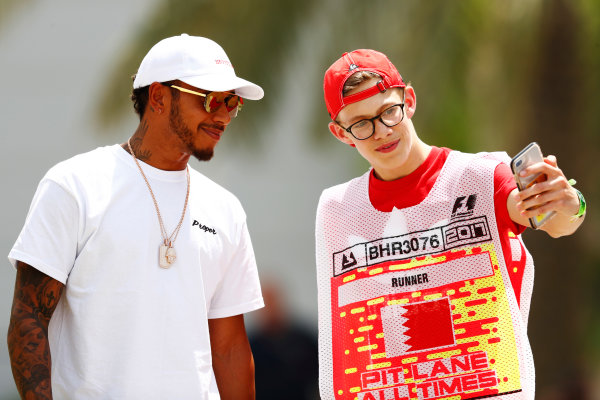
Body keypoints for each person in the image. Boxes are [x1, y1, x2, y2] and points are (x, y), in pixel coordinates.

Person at [315, 49, 586, 400]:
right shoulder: (338, 209)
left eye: (389, 112)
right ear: (341, 133)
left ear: (408, 100)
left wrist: (569, 203)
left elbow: (555, 221)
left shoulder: (481, 176)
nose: (382, 131)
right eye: (362, 123)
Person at [7, 34, 265, 399]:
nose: (223, 114)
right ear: (158, 96)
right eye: (211, 99)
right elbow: (28, 316)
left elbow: (230, 349)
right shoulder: (75, 186)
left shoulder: (226, 209)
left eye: (232, 102)